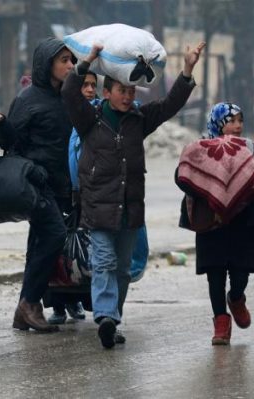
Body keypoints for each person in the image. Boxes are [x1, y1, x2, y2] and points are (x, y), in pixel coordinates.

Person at [61, 42, 205, 348]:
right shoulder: (90, 119)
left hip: (129, 209)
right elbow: (69, 93)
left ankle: (113, 317)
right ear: (107, 92)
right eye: (121, 91)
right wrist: (86, 61)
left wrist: (188, 69)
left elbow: (169, 106)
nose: (127, 97)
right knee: (103, 263)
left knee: (124, 269)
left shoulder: (139, 120)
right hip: (98, 209)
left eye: (131, 92)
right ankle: (104, 317)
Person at [0, 37, 76, 333]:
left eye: (72, 60)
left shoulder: (69, 97)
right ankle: (30, 303)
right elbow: (13, 145)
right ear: (47, 64)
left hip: (63, 184)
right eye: (64, 61)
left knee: (39, 244)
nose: (70, 66)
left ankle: (26, 308)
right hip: (36, 182)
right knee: (53, 235)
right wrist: (1, 123)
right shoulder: (28, 98)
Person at [176, 102, 254, 345]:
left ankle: (236, 298)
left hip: (241, 221)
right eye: (231, 121)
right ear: (218, 123)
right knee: (215, 273)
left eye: (240, 120)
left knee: (241, 272)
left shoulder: (249, 147)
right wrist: (211, 192)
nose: (237, 126)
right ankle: (221, 321)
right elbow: (182, 177)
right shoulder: (200, 148)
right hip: (211, 222)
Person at [47, 72, 99, 326]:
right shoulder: (60, 111)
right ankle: (57, 303)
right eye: (84, 85)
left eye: (93, 85)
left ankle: (78, 299)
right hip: (59, 188)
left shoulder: (99, 115)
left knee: (84, 252)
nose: (89, 90)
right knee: (59, 250)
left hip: (87, 192)